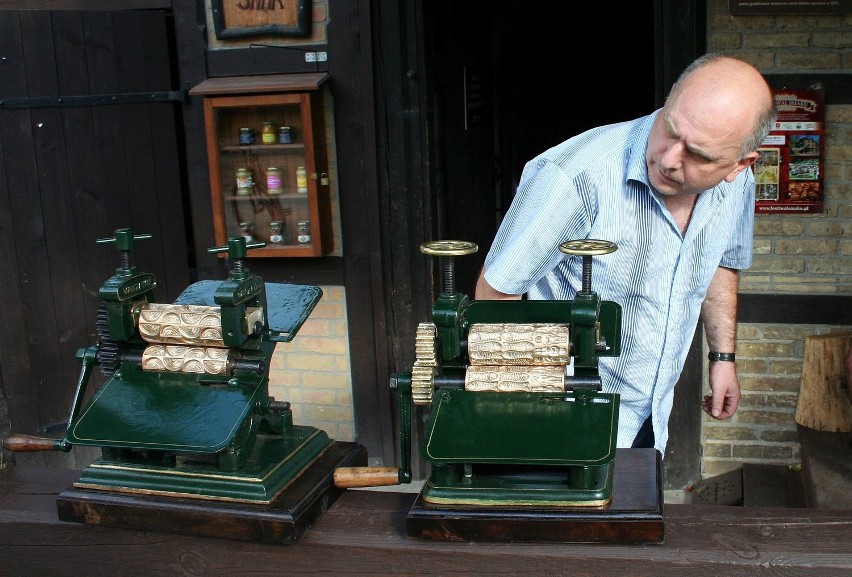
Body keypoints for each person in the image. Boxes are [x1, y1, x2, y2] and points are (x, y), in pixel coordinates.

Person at [474, 53, 777, 455]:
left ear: (741, 163)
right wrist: (528, 414)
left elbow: (720, 261)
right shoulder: (574, 176)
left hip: (651, 414)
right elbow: (496, 293)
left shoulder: (736, 184)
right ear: (669, 100)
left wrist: (722, 358)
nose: (669, 159)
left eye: (698, 155)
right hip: (565, 417)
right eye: (669, 130)